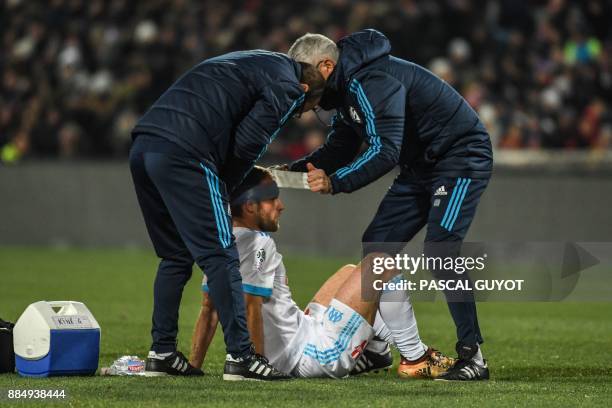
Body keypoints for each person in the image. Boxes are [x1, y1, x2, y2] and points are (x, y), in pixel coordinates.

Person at [285, 30, 493, 381]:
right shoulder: (347, 87)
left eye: (303, 75)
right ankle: (380, 348)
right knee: (377, 249)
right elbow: (339, 147)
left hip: (458, 156)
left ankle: (473, 357)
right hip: (420, 166)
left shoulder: (369, 80)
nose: (301, 87)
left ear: (325, 65)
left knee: (441, 249)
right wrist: (287, 172)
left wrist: (335, 182)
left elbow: (385, 150)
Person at [129, 50, 325, 380]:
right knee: (222, 256)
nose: (298, 115)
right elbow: (250, 141)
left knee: (175, 255)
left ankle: (161, 353)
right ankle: (242, 358)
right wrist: (226, 185)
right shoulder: (289, 86)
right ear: (304, 90)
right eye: (304, 110)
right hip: (187, 151)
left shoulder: (256, 59)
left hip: (144, 144)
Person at [189, 167, 455, 379]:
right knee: (380, 262)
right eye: (272, 199)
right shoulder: (259, 243)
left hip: (303, 333)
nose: (281, 206)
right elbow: (250, 306)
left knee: (349, 272)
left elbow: (209, 309)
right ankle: (415, 357)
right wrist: (257, 366)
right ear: (249, 206)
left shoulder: (224, 244)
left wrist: (194, 367)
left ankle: (375, 352)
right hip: (311, 355)